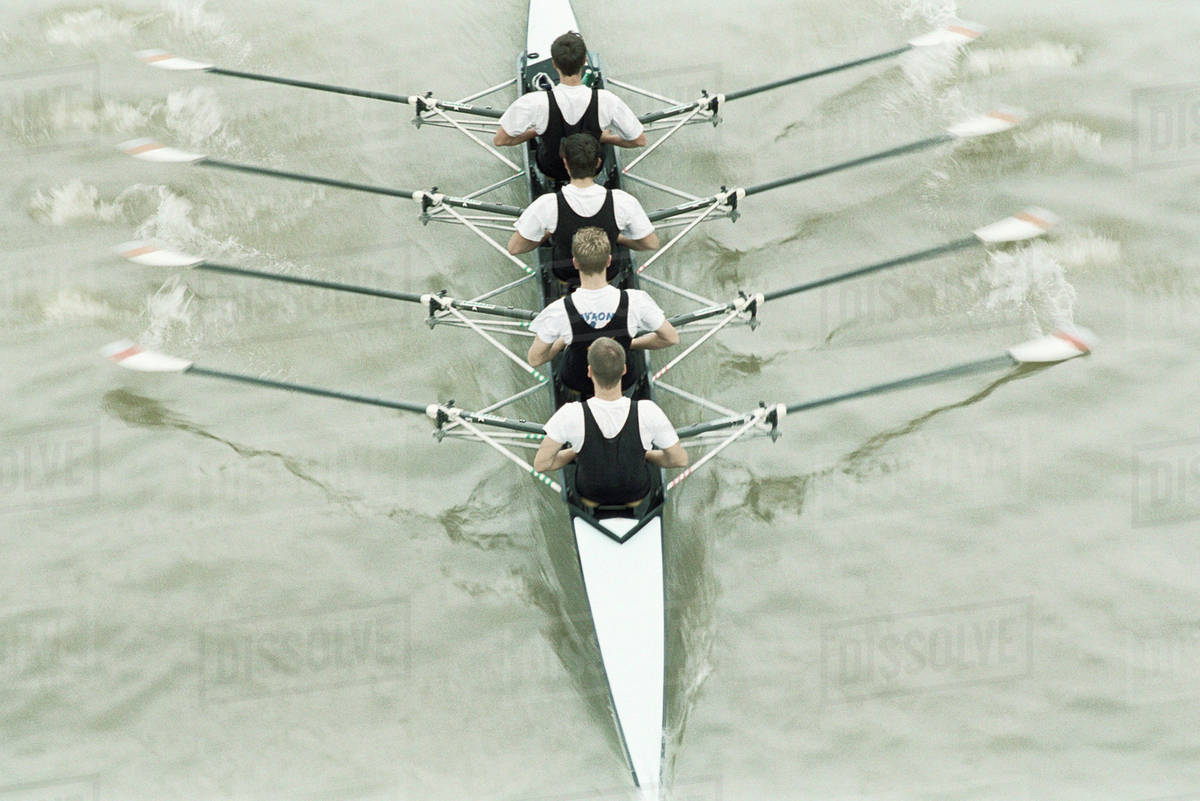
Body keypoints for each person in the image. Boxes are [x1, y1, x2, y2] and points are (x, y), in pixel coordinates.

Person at [534, 337, 687, 507]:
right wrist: (647, 454)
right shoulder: (648, 411)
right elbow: (679, 460)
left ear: (590, 371)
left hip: (589, 496)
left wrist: (576, 451)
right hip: (636, 496)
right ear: (624, 370)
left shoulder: (570, 414)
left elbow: (542, 464)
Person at [527, 227, 677, 395]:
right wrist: (630, 344)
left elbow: (535, 359)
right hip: (622, 382)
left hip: (577, 381)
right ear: (609, 261)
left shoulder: (559, 310)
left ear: (575, 263)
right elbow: (670, 338)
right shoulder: (636, 301)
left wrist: (562, 341)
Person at [493, 31, 646, 183]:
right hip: (592, 169)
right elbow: (639, 141)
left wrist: (535, 132)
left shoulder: (534, 102)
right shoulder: (607, 100)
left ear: (554, 64)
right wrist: (603, 137)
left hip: (552, 169)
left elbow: (500, 140)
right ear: (584, 61)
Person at [508, 133, 658, 282]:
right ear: (599, 163)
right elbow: (651, 243)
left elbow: (515, 248)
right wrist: (618, 238)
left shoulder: (547, 204)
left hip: (565, 272)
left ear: (565, 163)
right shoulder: (622, 201)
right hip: (607, 271)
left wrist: (547, 234)